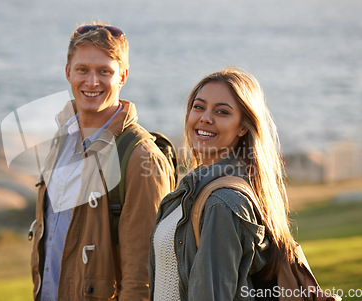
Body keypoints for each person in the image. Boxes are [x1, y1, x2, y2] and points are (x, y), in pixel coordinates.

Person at [30, 22, 175, 301]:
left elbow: (142, 278)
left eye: (104, 71)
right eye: (83, 69)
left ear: (123, 76)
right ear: (67, 72)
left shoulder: (140, 158)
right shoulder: (62, 139)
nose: (92, 82)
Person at [148, 67, 296, 300]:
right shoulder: (194, 188)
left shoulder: (222, 203)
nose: (205, 117)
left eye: (222, 112)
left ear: (243, 127)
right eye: (199, 106)